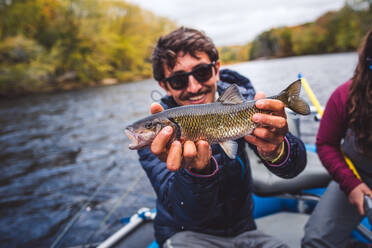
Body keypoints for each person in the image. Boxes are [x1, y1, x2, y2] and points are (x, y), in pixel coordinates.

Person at [138, 26, 307, 248]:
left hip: (244, 230)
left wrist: (277, 150)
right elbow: (181, 210)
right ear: (164, 85)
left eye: (201, 72)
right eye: (178, 80)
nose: (194, 87)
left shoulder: (246, 104)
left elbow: (294, 168)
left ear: (216, 69)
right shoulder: (155, 134)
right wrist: (197, 175)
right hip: (187, 234)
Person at [302, 28, 372, 248]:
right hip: (358, 174)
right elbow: (326, 144)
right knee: (315, 241)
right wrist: (351, 184)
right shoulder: (345, 96)